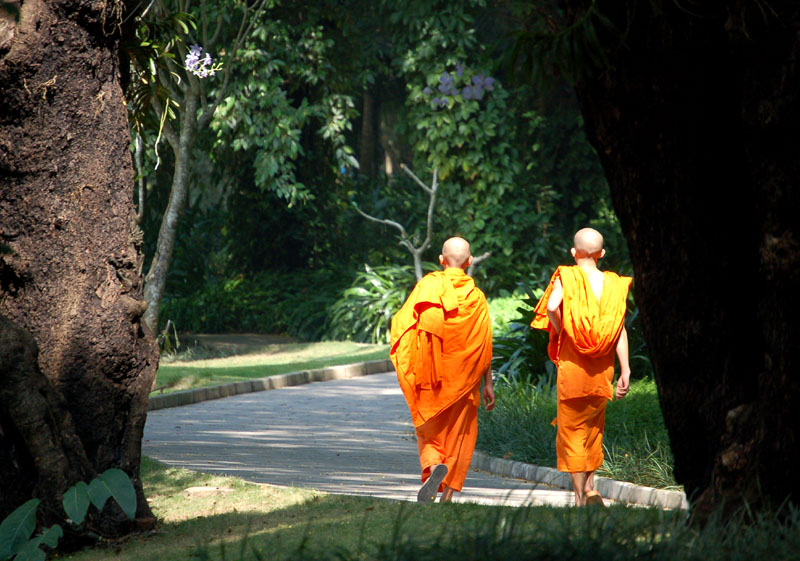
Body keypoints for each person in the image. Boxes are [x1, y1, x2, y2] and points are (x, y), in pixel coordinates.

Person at [530, 227, 632, 506]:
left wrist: (565, 330)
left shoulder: (568, 275)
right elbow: (619, 328)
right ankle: (591, 487)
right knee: (593, 430)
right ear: (602, 254)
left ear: (574, 253)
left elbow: (552, 306)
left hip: (573, 370)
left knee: (572, 431)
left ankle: (579, 497)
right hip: (603, 372)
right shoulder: (612, 283)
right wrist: (626, 369)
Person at [390, 237, 495, 503]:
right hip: (465, 378)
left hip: (430, 377)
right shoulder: (477, 298)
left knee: (428, 429)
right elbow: (484, 343)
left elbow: (404, 326)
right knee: (459, 435)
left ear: (441, 259)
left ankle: (434, 466)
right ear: (470, 261)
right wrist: (488, 384)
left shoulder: (428, 286)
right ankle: (447, 495)